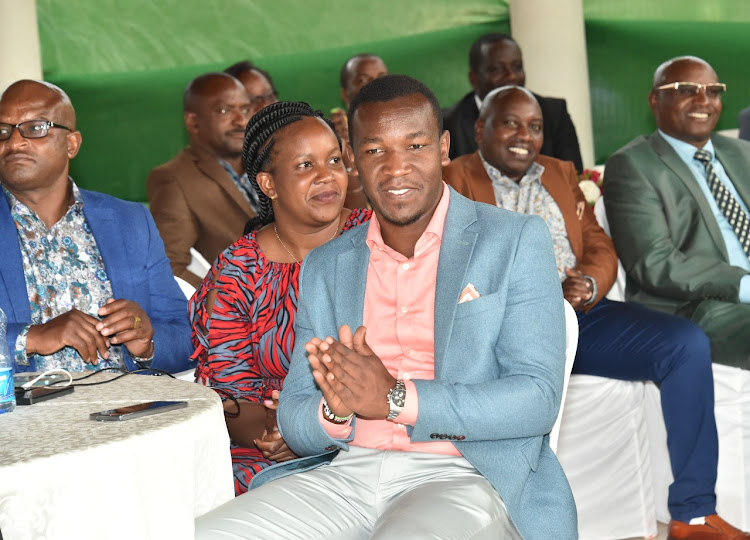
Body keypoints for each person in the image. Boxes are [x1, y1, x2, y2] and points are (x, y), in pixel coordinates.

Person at [195, 75, 576, 539]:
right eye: (376, 150)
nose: (397, 169)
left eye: (414, 146)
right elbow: (295, 413)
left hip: (463, 474)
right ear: (353, 159)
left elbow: (536, 399)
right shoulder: (328, 264)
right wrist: (335, 410)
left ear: (442, 147)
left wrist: (395, 399)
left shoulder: (512, 240)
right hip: (345, 474)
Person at [444, 85, 750, 540]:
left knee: (685, 345)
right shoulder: (454, 182)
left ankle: (693, 514)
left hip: (582, 315)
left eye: (535, 126)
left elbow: (597, 242)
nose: (523, 135)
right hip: (507, 329)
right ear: (480, 128)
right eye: (509, 123)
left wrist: (588, 282)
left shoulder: (559, 172)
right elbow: (452, 266)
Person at [190, 101, 370, 495]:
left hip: (378, 429)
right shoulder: (238, 271)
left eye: (334, 160)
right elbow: (230, 392)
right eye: (306, 166)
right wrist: (282, 433)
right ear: (268, 183)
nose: (327, 177)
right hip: (271, 449)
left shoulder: (377, 242)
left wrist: (315, 428)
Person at [0, 80, 193, 374]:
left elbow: (184, 335)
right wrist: (31, 338)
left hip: (125, 411)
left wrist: (147, 343)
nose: (14, 142)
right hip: (22, 416)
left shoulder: (130, 221)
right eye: (3, 131)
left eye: (36, 127)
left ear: (72, 144)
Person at [605, 56, 750, 369]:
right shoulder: (632, 165)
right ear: (655, 99)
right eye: (687, 90)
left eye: (713, 91)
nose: (703, 100)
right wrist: (744, 284)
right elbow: (654, 262)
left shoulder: (741, 153)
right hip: (700, 306)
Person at [147, 72, 257, 288]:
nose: (242, 121)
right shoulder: (175, 179)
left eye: (245, 109)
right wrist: (229, 302)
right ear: (193, 121)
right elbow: (168, 267)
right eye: (225, 110)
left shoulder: (269, 161)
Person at [443, 32, 583, 172]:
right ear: (473, 78)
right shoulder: (449, 123)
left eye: (517, 67)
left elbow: (573, 177)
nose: (512, 76)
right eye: (498, 70)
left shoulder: (553, 113)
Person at [330, 53, 389, 210]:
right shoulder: (334, 136)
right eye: (362, 80)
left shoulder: (407, 127)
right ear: (345, 94)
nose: (375, 84)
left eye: (381, 77)